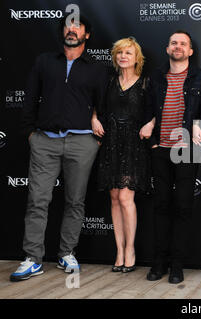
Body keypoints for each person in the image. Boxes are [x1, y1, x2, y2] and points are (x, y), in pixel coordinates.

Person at [11, 14, 107, 281]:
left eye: (77, 26)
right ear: (62, 31)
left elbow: (103, 105)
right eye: (67, 25)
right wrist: (31, 133)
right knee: (37, 201)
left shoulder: (96, 69)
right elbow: (29, 98)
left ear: (87, 34)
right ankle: (32, 259)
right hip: (44, 141)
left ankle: (67, 253)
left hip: (82, 142)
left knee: (75, 201)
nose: (71, 29)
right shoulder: (44, 61)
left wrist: (95, 136)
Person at [145, 30, 201, 284]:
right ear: (167, 48)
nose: (178, 46)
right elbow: (148, 110)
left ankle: (177, 265)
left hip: (186, 150)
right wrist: (151, 143)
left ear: (190, 51)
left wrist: (198, 125)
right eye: (174, 43)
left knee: (183, 207)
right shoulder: (157, 77)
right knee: (161, 206)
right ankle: (158, 262)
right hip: (160, 150)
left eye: (183, 44)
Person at [91, 37, 154, 273]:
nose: (123, 56)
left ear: (136, 57)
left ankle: (130, 250)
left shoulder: (146, 83)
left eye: (128, 53)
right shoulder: (109, 83)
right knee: (115, 199)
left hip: (133, 146)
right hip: (110, 144)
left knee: (127, 199)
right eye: (119, 53)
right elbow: (97, 107)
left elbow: (156, 109)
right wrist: (94, 119)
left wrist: (151, 123)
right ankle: (118, 250)